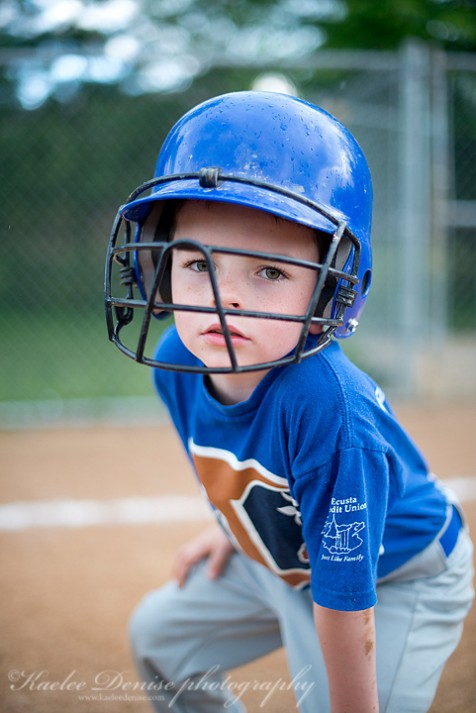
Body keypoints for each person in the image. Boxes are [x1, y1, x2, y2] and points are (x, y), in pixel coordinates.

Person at [105, 91, 474, 713]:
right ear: (157, 265)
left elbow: (345, 597)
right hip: (288, 551)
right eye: (197, 263)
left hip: (392, 576)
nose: (226, 300)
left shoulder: (324, 402)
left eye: (269, 272)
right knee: (161, 639)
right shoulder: (177, 362)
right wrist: (237, 527)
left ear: (331, 290)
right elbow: (236, 461)